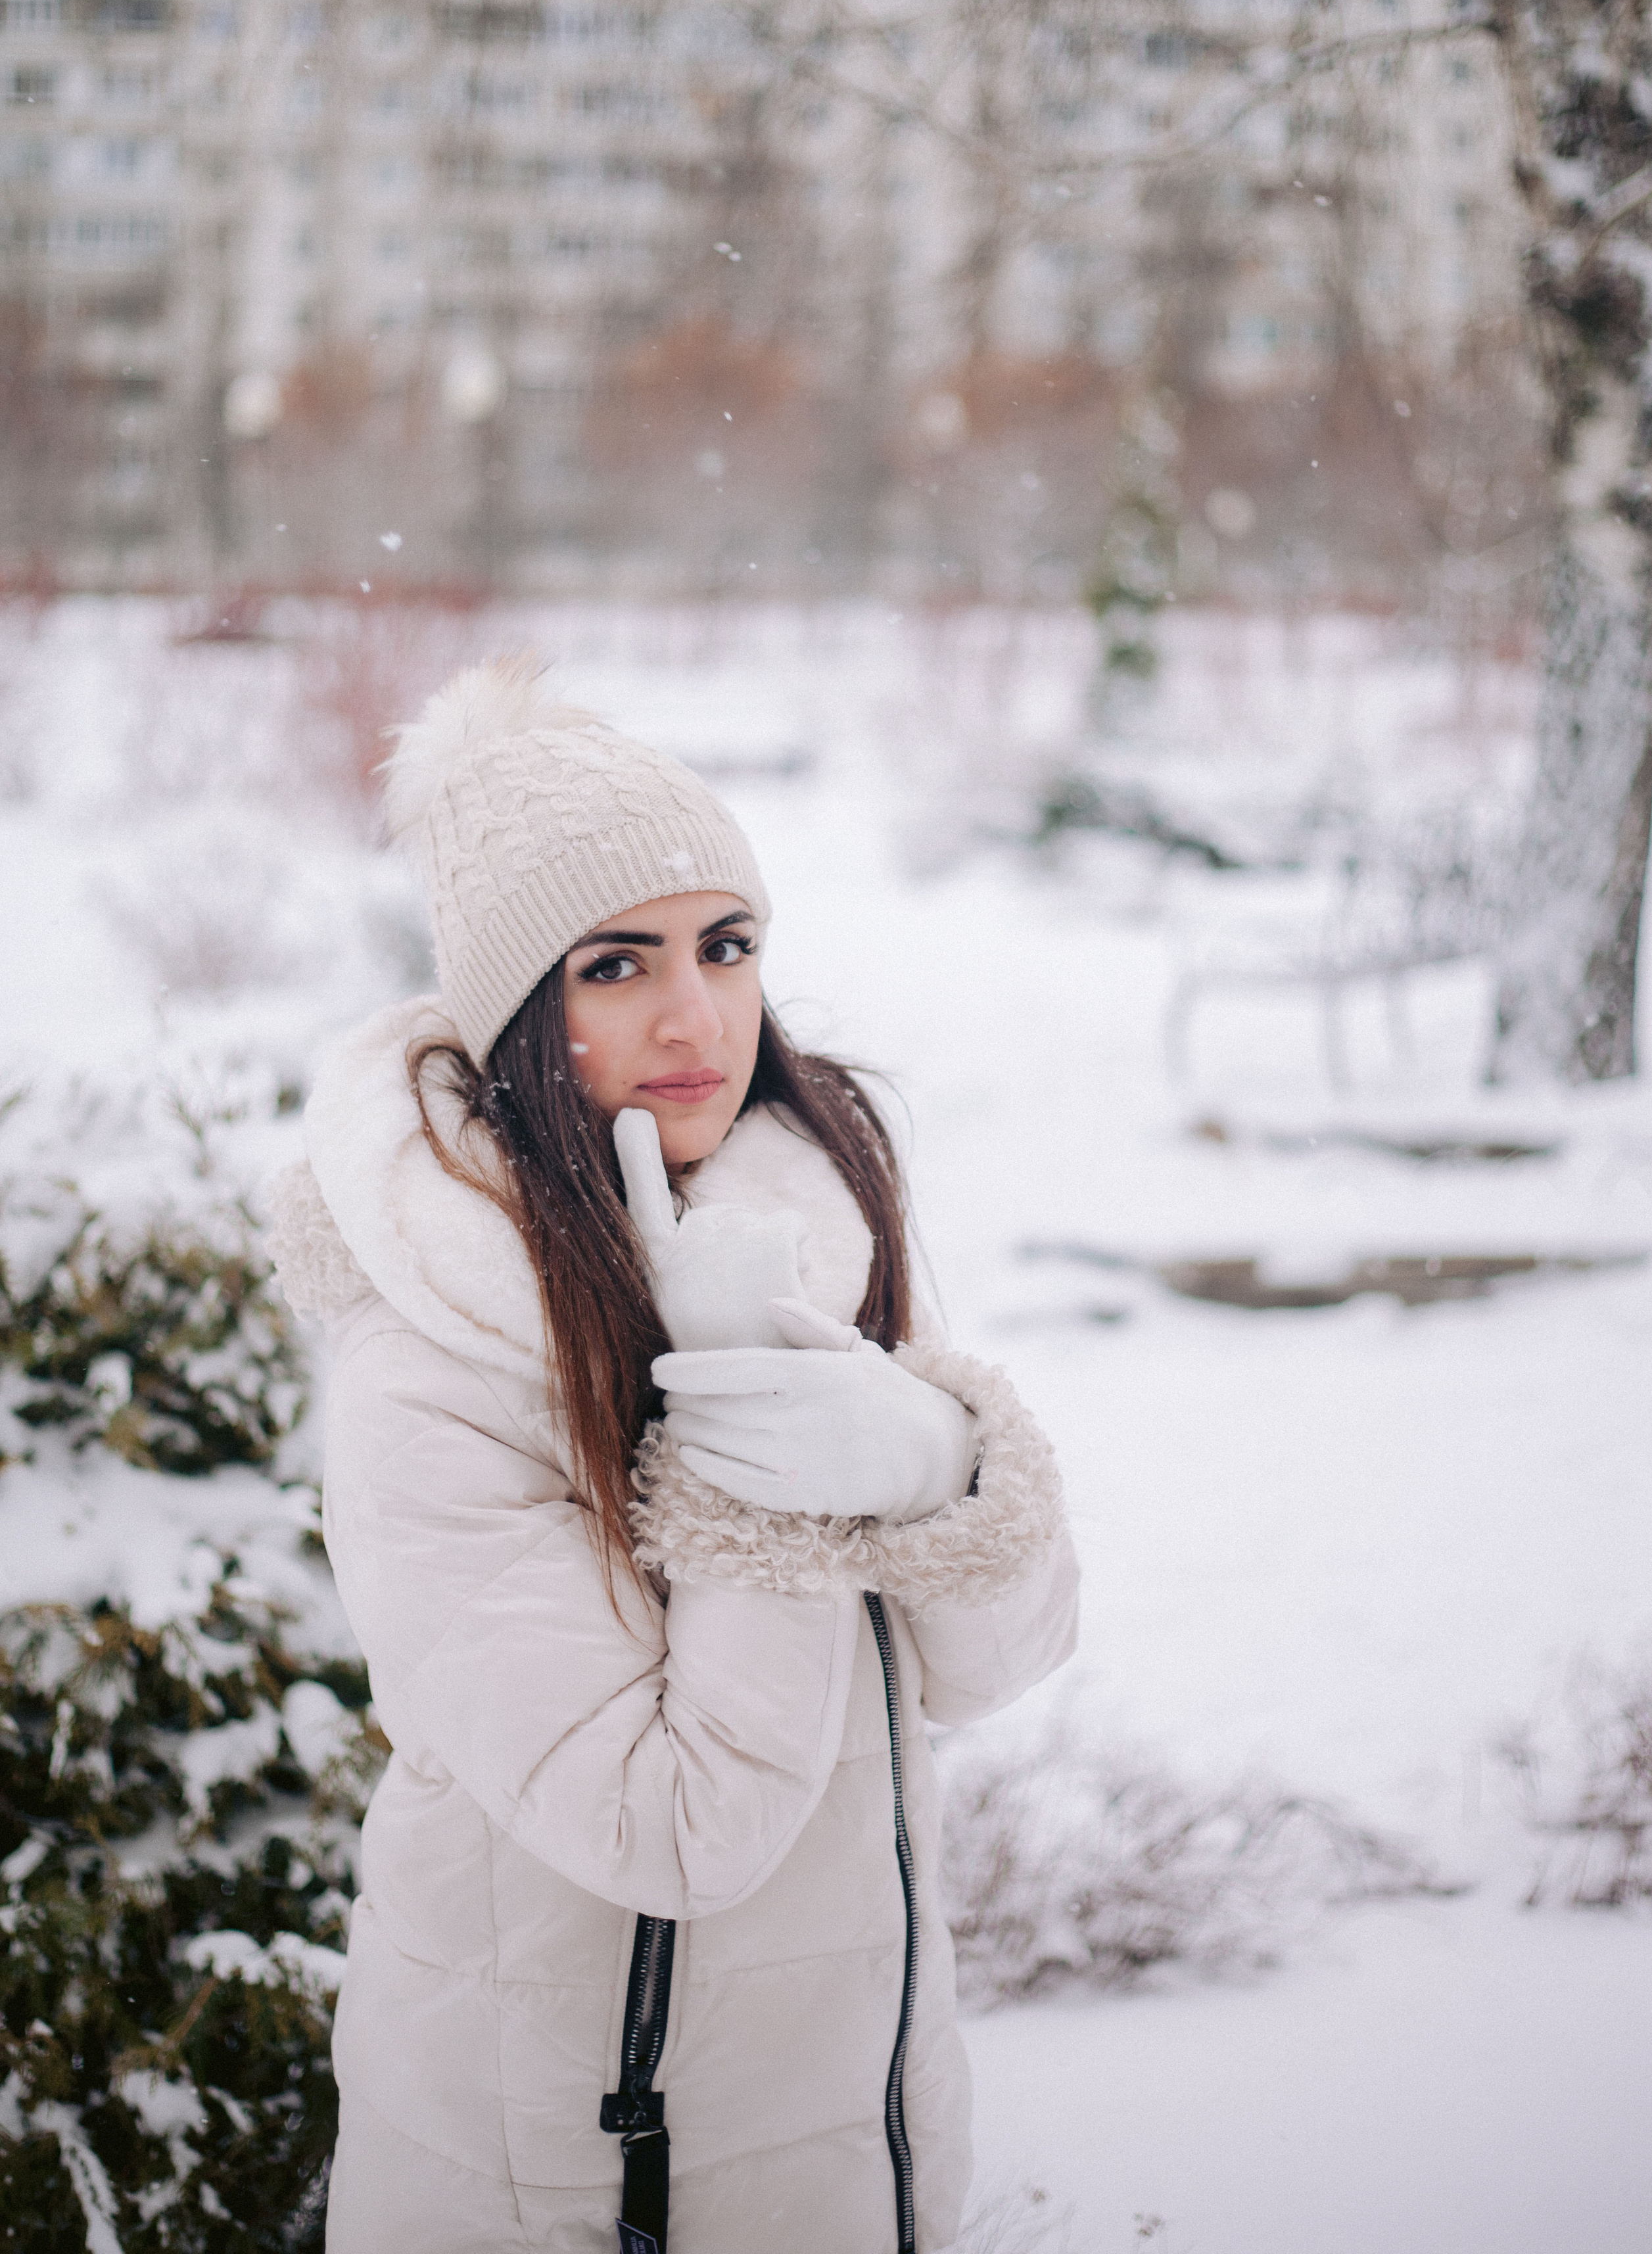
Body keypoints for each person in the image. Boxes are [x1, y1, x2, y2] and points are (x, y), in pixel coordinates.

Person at [269, 655, 1079, 2254]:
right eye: (616, 965)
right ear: (516, 1010)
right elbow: (672, 1828)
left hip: (851, 2154)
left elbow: (994, 1667)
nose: (697, 1014)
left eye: (728, 945)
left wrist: (930, 1464)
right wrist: (746, 1438)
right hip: (563, 2187)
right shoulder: (429, 1375)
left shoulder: (796, 1238)